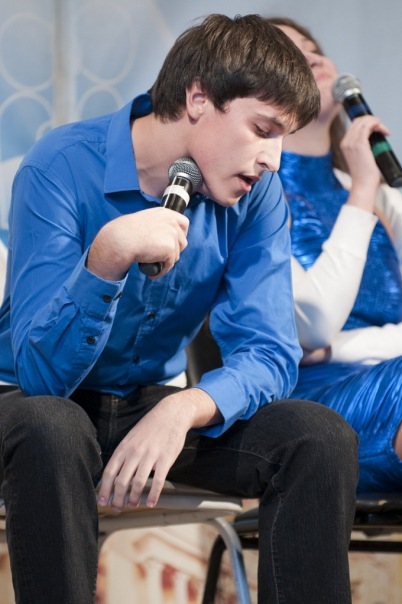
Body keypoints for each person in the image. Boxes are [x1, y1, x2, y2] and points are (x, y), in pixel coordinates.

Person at [0, 14, 358, 604]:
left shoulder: (258, 195)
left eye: (282, 138)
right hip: (32, 403)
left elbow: (271, 351)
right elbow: (42, 378)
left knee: (317, 436)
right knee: (52, 427)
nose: (272, 159)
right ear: (198, 100)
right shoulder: (60, 164)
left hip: (147, 405)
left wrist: (184, 407)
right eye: (262, 129)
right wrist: (105, 260)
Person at [266, 17, 402, 494]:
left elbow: (324, 342)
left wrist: (342, 347)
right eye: (291, 53)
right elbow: (312, 329)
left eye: (313, 47)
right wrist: (363, 189)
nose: (314, 57)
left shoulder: (378, 193)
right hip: (313, 402)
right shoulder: (254, 195)